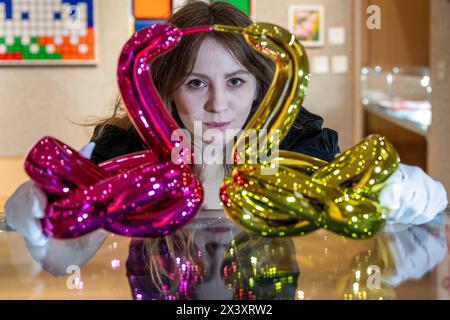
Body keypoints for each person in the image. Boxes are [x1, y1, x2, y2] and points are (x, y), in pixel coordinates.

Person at [4, 1, 448, 292]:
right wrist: (38, 220)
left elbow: (425, 219)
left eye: (235, 81)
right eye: (196, 83)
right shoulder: (120, 156)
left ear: (258, 86)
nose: (218, 103)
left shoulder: (304, 147)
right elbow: (65, 258)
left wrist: (408, 192)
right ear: (167, 90)